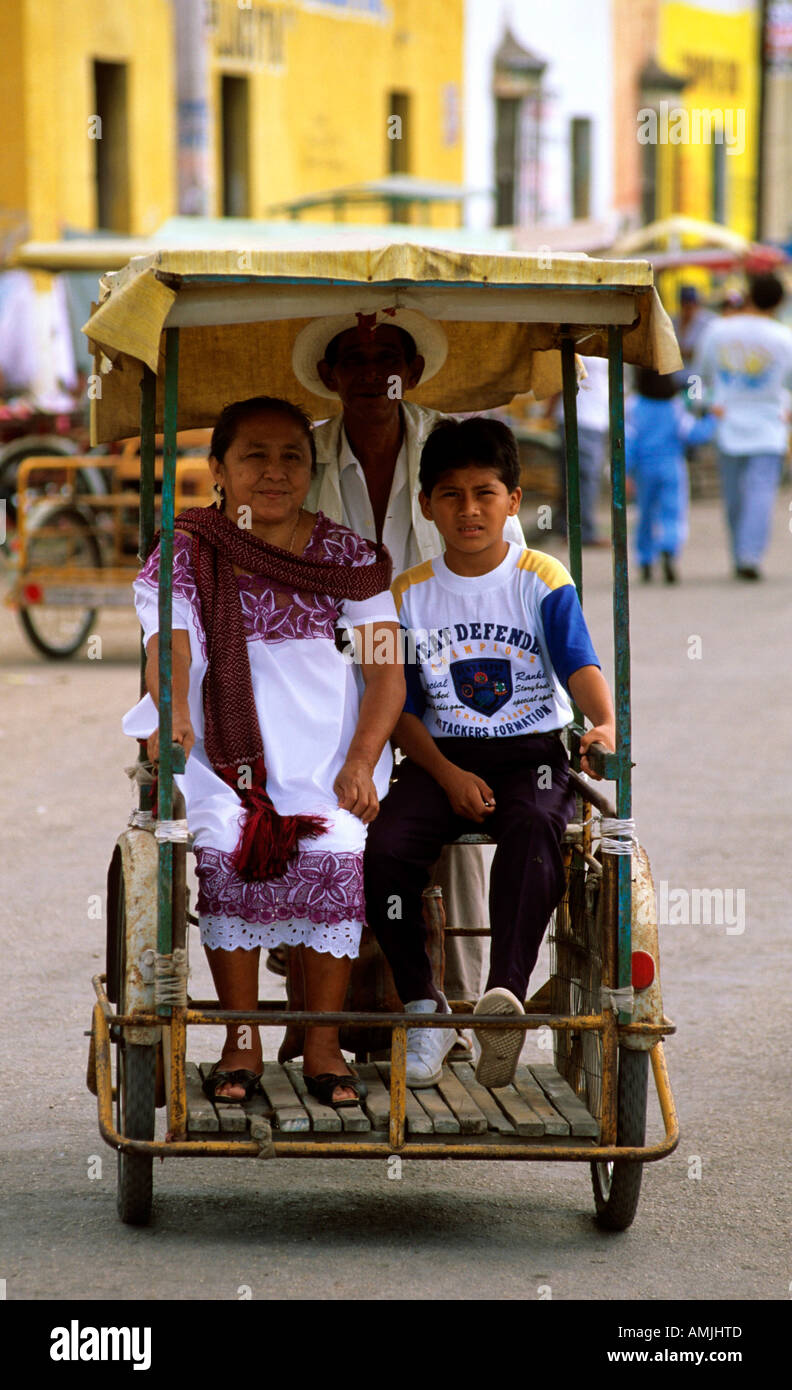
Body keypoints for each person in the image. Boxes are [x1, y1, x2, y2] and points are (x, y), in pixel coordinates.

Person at [122, 396, 405, 1108]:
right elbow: (172, 643)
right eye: (255, 456)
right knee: (224, 846)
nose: (274, 472)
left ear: (311, 469)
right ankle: (241, 1037)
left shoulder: (350, 558)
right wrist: (175, 709)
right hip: (228, 762)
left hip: (330, 759)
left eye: (292, 457)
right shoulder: (188, 547)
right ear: (218, 468)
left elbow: (384, 672)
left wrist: (362, 762)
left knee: (337, 848)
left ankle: (322, 1041)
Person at [363, 417, 615, 1088]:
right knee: (385, 850)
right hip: (436, 755)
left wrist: (606, 722)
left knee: (535, 829)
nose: (468, 510)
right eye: (450, 495)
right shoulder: (403, 593)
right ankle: (424, 1007)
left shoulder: (543, 576)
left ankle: (500, 1004)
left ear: (513, 499)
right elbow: (398, 707)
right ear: (426, 506)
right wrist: (446, 776)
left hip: (530, 751)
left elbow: (579, 664)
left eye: (484, 493)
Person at [291, 308, 526, 1015]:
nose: (371, 373)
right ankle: (323, 1013)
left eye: (386, 356)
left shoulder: (450, 450)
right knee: (313, 812)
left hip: (452, 673)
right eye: (353, 360)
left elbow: (506, 576)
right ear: (329, 375)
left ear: (413, 371)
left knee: (454, 826)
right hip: (330, 673)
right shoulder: (302, 458)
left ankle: (471, 1010)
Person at [695, 272, 792, 580]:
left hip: (727, 422)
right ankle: (749, 554)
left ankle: (740, 553)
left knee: (734, 495)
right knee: (760, 493)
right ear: (778, 302)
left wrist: (703, 407)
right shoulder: (783, 337)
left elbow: (698, 376)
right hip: (770, 425)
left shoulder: (717, 331)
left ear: (749, 295)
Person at [626, 368, 716, 583]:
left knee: (645, 514)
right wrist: (713, 419)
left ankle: (645, 559)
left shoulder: (633, 405)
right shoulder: (674, 406)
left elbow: (627, 441)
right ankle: (669, 547)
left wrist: (625, 473)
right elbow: (694, 434)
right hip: (672, 465)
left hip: (643, 469)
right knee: (673, 513)